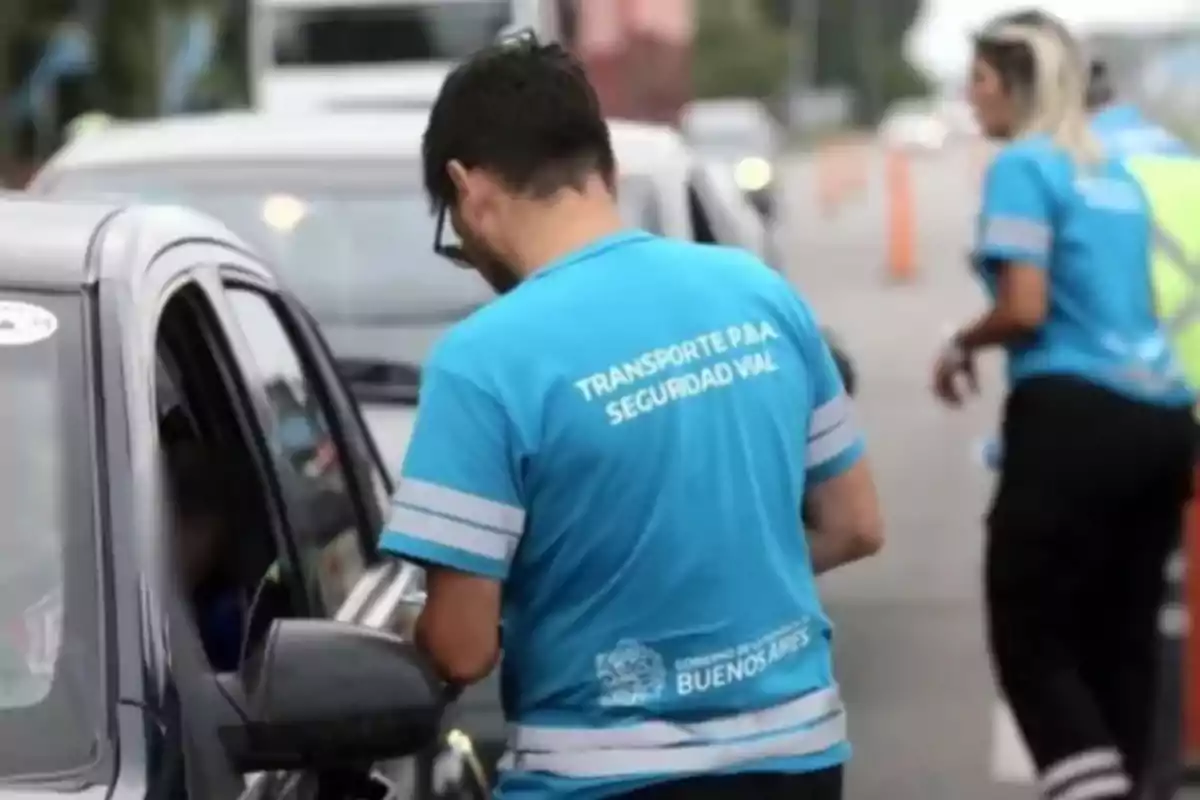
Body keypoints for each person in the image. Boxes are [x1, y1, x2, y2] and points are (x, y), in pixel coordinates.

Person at [378, 34, 884, 800]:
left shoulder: (482, 360)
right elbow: (855, 524)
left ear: (467, 188)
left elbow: (460, 647)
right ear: (602, 169)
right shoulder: (758, 293)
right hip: (800, 757)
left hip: (601, 778)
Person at [934, 12, 1196, 800]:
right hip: (1162, 424)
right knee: (1121, 638)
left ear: (1014, 86)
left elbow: (1025, 305)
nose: (968, 96)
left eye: (977, 80)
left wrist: (961, 343)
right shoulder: (1114, 175)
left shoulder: (1024, 165)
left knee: (1030, 634)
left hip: (1072, 417)